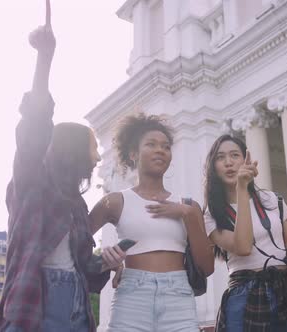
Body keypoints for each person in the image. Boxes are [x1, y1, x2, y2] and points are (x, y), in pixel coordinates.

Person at [0, 5, 122, 331]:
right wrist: (45, 60)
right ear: (72, 150)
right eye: (93, 148)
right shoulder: (32, 183)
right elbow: (34, 126)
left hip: (77, 305)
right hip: (35, 302)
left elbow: (83, 271)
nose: (97, 158)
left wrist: (108, 261)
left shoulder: (76, 205)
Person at [89, 113, 215, 332]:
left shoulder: (189, 206)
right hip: (132, 297)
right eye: (151, 144)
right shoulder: (114, 202)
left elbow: (207, 267)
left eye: (166, 147)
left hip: (179, 299)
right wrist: (109, 262)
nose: (160, 150)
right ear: (133, 154)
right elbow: (76, 242)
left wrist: (188, 214)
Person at [203, 135, 287, 332]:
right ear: (213, 167)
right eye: (220, 157)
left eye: (235, 155)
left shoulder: (271, 199)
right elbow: (243, 247)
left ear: (245, 160)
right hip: (245, 293)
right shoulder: (211, 214)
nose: (229, 162)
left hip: (284, 290)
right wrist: (242, 187)